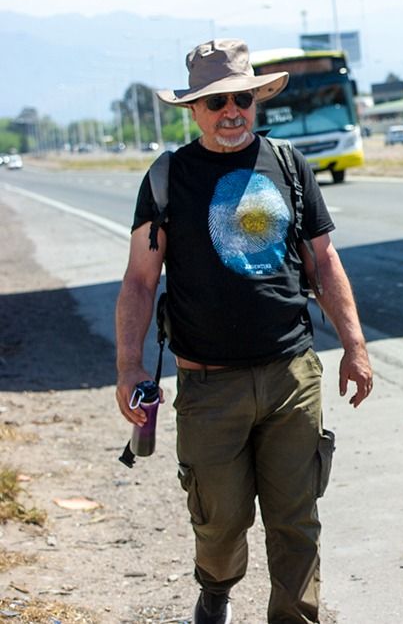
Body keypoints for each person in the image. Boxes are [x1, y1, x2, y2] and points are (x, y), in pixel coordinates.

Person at [114, 38, 373, 624]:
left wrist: (354, 346)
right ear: (193, 111)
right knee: (220, 519)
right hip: (208, 386)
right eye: (216, 102)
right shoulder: (167, 179)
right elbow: (137, 281)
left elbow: (324, 262)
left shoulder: (288, 166)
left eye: (242, 98)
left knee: (296, 520)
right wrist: (128, 365)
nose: (232, 111)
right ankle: (216, 589)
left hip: (291, 375)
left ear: (256, 101)